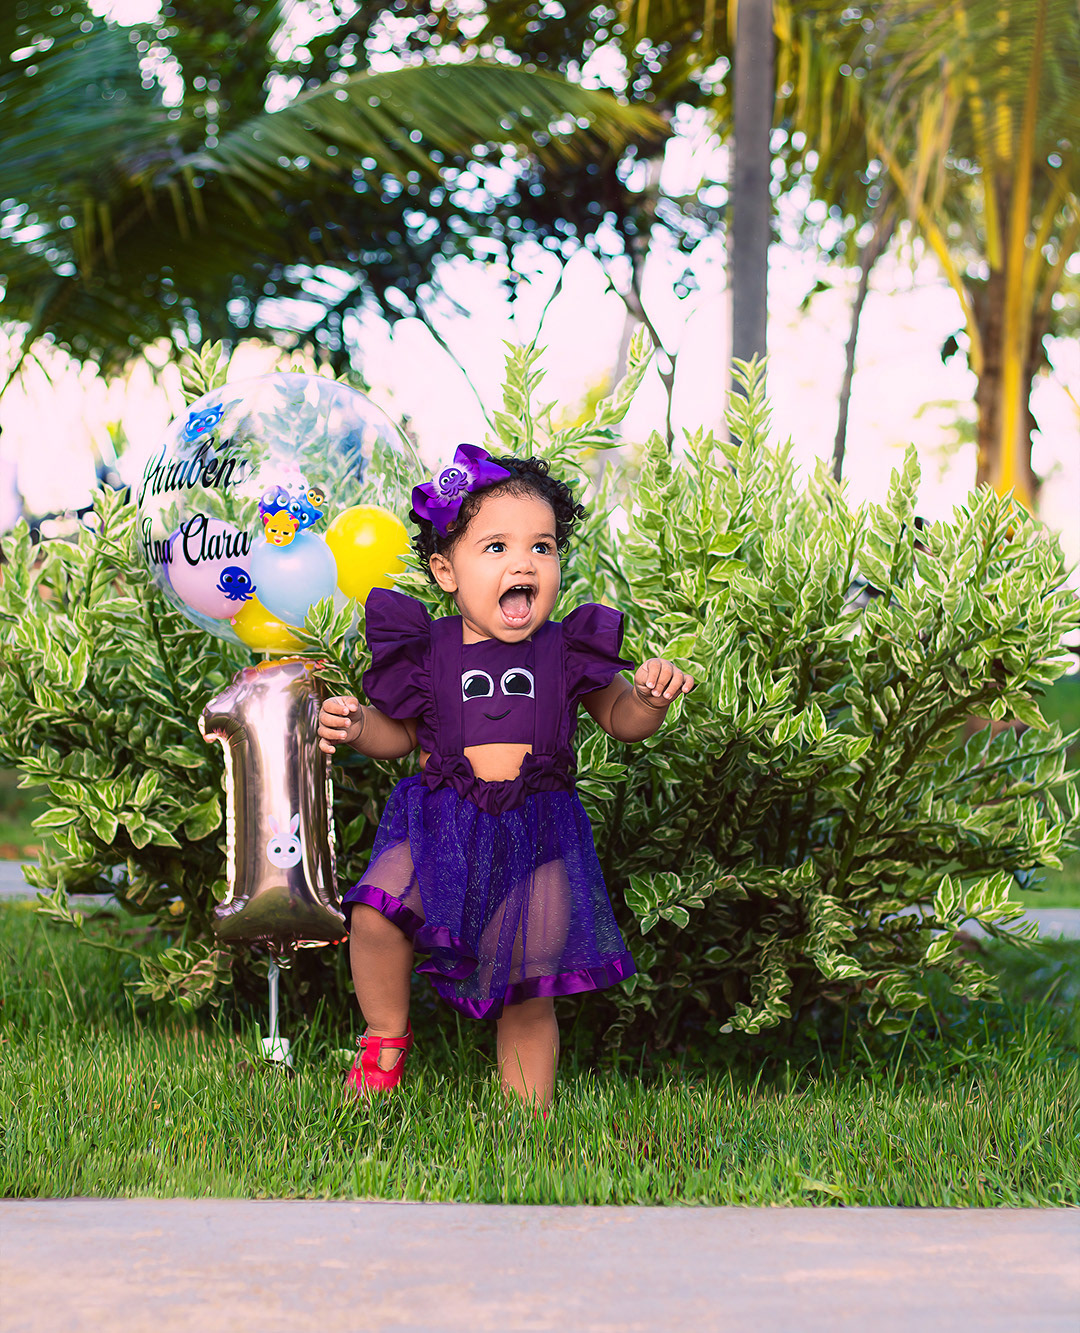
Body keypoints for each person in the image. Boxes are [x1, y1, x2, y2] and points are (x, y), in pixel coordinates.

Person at [318, 445, 694, 1113]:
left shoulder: (567, 650)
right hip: (441, 823)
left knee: (529, 978)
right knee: (375, 913)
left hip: (537, 833)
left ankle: (527, 1118)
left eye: (541, 547)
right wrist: (357, 725)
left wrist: (649, 698)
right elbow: (399, 735)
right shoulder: (428, 649)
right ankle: (384, 1038)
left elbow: (622, 720)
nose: (523, 563)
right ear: (445, 571)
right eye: (496, 546)